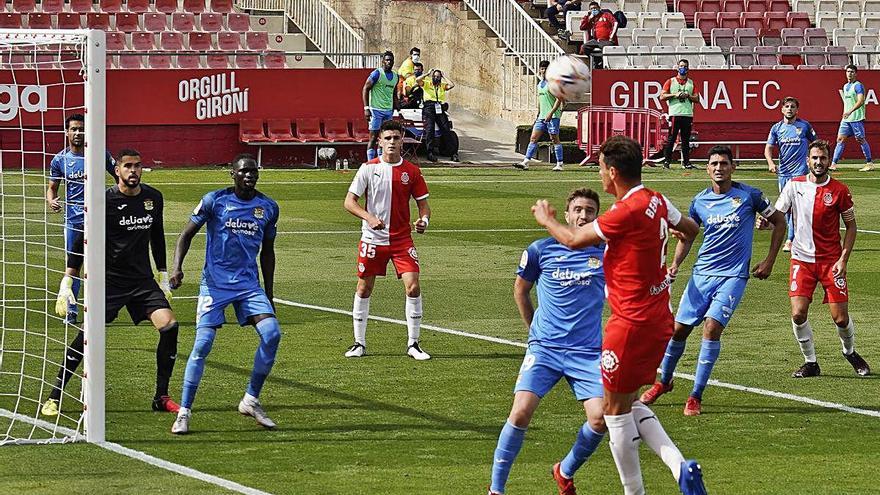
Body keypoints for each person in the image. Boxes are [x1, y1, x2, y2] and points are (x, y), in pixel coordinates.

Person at [532, 135, 707, 495]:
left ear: (612, 172)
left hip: (629, 325)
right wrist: (669, 250)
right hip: (660, 319)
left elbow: (573, 240)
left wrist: (547, 219)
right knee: (628, 401)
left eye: (599, 168)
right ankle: (680, 469)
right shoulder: (656, 199)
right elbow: (690, 229)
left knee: (614, 413)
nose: (599, 175)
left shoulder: (622, 212)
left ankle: (636, 491)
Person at [640, 146, 787, 416]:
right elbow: (688, 235)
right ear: (708, 169)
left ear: (733, 167)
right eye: (714, 164)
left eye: (724, 163)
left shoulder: (749, 196)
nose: (719, 168)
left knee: (711, 329)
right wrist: (674, 264)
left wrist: (769, 260)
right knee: (678, 331)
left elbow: (780, 221)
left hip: (733, 276)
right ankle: (664, 382)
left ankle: (695, 395)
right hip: (702, 274)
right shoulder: (699, 202)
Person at [42, 149, 180, 417]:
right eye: (127, 166)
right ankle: (55, 395)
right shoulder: (102, 200)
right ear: (117, 170)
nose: (133, 171)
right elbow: (82, 237)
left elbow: (157, 235)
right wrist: (68, 279)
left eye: (138, 166)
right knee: (86, 337)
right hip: (109, 283)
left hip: (142, 282)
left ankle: (161, 396)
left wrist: (163, 274)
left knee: (170, 327)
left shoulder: (153, 198)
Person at [488, 188, 608, 495]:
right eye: (578, 209)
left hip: (587, 352)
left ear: (597, 217)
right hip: (546, 349)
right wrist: (534, 332)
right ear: (567, 214)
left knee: (600, 419)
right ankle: (496, 490)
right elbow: (520, 290)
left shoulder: (605, 252)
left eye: (590, 211)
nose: (583, 215)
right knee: (520, 412)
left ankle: (564, 470)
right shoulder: (541, 249)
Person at [169, 154, 281, 434]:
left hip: (248, 286)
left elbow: (268, 252)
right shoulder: (214, 201)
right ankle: (184, 412)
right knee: (202, 345)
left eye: (253, 172)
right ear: (232, 174)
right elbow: (186, 235)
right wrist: (177, 267)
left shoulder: (268, 207)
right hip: (215, 285)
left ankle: (250, 400)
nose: (249, 176)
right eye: (244, 171)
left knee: (272, 334)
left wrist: (269, 293)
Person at [774, 139, 871, 378]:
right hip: (801, 260)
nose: (819, 162)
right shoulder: (793, 185)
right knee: (798, 313)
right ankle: (811, 362)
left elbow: (851, 226)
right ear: (808, 160)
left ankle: (849, 352)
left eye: (823, 158)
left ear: (829, 161)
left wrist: (843, 260)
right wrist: (765, 221)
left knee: (840, 318)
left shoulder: (839, 190)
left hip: (831, 262)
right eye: (815, 158)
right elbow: (777, 216)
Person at [343, 120, 432, 361]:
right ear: (380, 141)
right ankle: (359, 343)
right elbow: (349, 202)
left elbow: (424, 206)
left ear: (402, 140)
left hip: (402, 240)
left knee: (413, 287)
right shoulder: (368, 169)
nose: (392, 142)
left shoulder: (412, 171)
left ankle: (414, 344)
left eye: (396, 138)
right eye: (388, 138)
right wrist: (368, 217)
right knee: (364, 288)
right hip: (373, 240)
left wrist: (424, 221)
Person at [46, 113, 117, 323]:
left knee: (103, 265)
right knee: (73, 265)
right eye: (74, 129)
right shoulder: (60, 159)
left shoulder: (99, 154)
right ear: (67, 132)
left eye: (81, 129)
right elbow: (52, 189)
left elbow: (119, 177)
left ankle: (104, 308)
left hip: (99, 220)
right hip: (73, 222)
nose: (78, 133)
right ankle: (72, 309)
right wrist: (51, 201)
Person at [765, 96, 818, 252]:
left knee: (796, 207)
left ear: (797, 110)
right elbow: (768, 148)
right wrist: (770, 162)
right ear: (782, 109)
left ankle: (790, 239)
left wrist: (812, 160)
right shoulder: (776, 128)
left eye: (792, 106)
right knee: (786, 208)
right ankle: (796, 237)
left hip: (800, 173)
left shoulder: (805, 126)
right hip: (783, 173)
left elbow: (816, 143)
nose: (789, 109)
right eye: (787, 106)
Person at [514, 60, 565, 172]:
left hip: (553, 116)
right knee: (533, 138)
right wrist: (539, 113)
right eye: (542, 68)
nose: (543, 70)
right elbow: (540, 101)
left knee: (554, 139)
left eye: (545, 68)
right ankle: (526, 162)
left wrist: (551, 113)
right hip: (541, 117)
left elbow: (559, 99)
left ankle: (559, 164)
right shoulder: (539, 84)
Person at [831, 65, 874, 172]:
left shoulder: (858, 86)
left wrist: (850, 111)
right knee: (840, 139)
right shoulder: (845, 86)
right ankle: (833, 164)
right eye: (848, 71)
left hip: (856, 118)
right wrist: (845, 114)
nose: (849, 74)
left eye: (852, 72)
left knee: (860, 139)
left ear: (856, 73)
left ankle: (869, 163)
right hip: (846, 119)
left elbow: (861, 101)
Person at [661, 59, 699, 170]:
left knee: (686, 139)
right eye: (681, 66)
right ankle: (667, 161)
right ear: (677, 68)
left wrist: (688, 96)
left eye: (685, 66)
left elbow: (697, 98)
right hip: (675, 113)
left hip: (687, 114)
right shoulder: (670, 81)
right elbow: (662, 96)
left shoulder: (691, 83)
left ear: (688, 68)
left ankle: (686, 163)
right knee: (671, 138)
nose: (683, 68)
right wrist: (675, 95)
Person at [362, 51, 399, 162]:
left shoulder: (395, 76)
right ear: (383, 61)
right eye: (387, 60)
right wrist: (366, 108)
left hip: (388, 111)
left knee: (384, 138)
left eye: (391, 60)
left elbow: (393, 92)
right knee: (373, 137)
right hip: (375, 110)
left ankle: (381, 161)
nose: (389, 62)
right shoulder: (377, 74)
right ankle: (369, 162)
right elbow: (365, 89)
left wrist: (396, 105)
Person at [417, 68, 457, 162]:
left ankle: (453, 153)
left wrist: (444, 76)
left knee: (446, 129)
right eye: (435, 76)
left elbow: (452, 85)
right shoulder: (427, 83)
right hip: (429, 107)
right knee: (430, 129)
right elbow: (418, 80)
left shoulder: (442, 85)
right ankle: (429, 152)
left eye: (438, 76)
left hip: (439, 107)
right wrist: (427, 74)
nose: (436, 78)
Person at [579, 2, 618, 69]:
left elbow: (615, 23)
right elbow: (582, 27)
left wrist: (611, 36)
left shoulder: (606, 15)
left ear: (599, 8)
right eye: (591, 9)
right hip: (596, 40)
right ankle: (596, 61)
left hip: (607, 40)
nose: (594, 10)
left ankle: (605, 64)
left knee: (604, 47)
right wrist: (589, 18)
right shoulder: (591, 18)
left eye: (595, 8)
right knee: (584, 47)